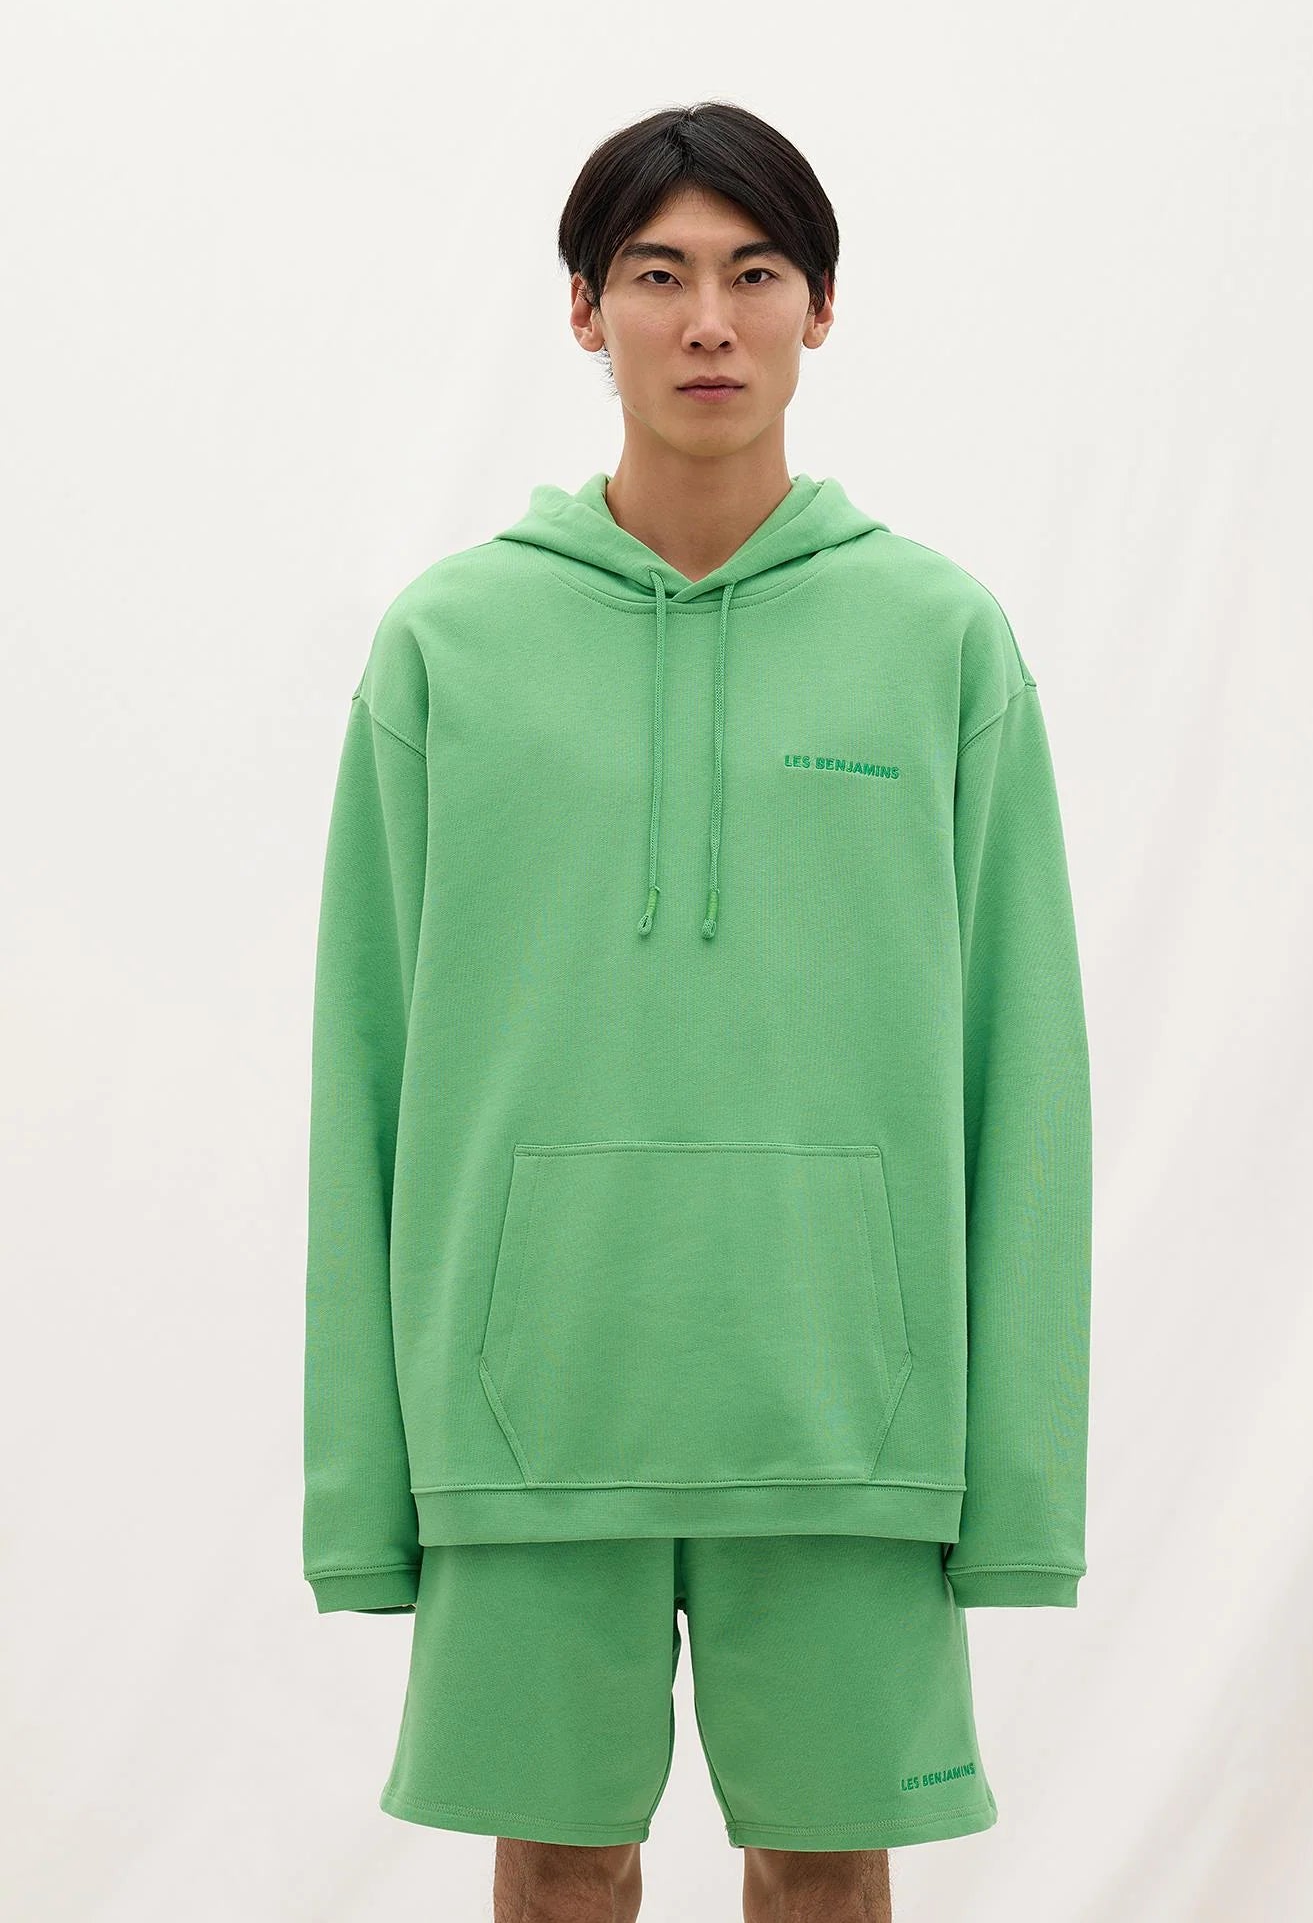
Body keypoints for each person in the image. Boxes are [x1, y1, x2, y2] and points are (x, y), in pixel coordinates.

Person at [302, 101, 1093, 1923]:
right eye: (658, 276)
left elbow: (1026, 1073)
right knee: (559, 1865)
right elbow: (364, 1073)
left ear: (824, 307)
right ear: (586, 311)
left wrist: (1019, 1488)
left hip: (846, 1407)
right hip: (525, 1405)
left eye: (757, 273)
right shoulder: (447, 645)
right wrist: (364, 1488)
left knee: (824, 1868)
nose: (711, 322)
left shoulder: (939, 639)